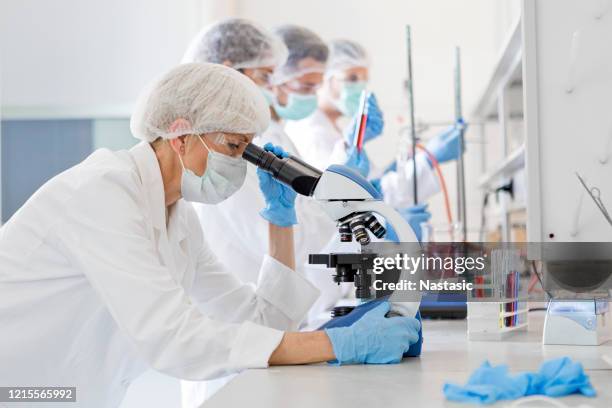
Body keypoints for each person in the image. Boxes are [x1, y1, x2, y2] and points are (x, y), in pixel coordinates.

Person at [0, 63, 421, 408]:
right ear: (181, 136)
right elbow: (174, 340)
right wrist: (335, 344)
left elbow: (261, 321)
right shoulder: (101, 194)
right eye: (235, 147)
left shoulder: (177, 217)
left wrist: (281, 220)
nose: (240, 164)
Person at [180, 20, 351, 405]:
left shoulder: (254, 139)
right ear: (226, 70)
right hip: (232, 348)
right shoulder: (223, 154)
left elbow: (278, 301)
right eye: (264, 76)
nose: (272, 87)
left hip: (259, 327)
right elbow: (278, 239)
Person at [285, 39, 465, 238]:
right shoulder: (313, 133)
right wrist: (430, 158)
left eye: (364, 80)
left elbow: (371, 185)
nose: (360, 87)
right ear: (325, 78)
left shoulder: (334, 128)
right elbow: (339, 203)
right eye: (352, 78)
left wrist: (401, 164)